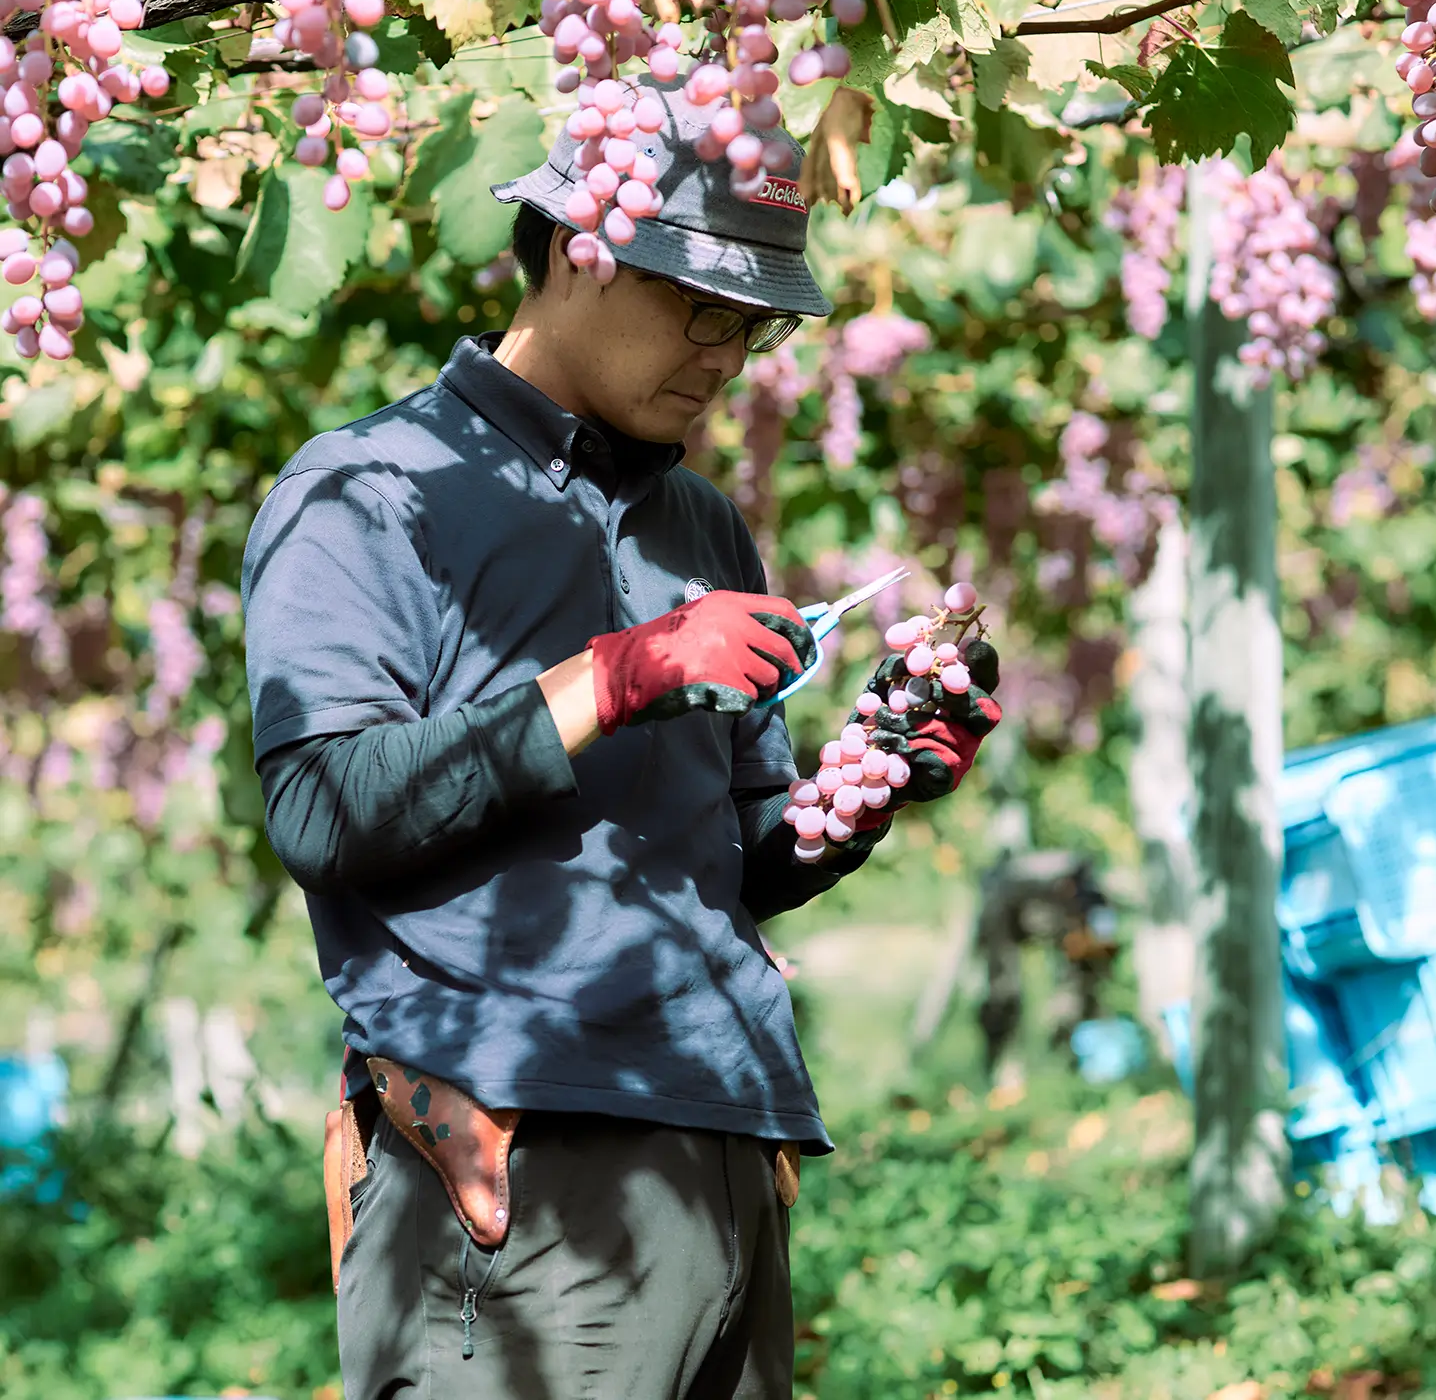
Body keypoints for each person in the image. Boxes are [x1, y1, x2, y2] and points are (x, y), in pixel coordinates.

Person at [241, 77, 1002, 1400]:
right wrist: (617, 672)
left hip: (723, 1136)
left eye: (752, 325)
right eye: (696, 306)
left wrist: (872, 772)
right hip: (526, 1165)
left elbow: (737, 859)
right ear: (567, 247)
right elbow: (322, 808)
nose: (723, 352)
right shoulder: (368, 487)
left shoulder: (700, 524)